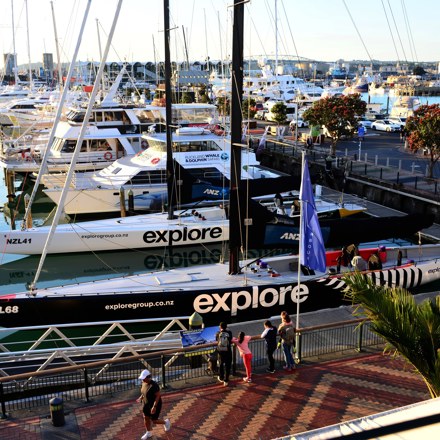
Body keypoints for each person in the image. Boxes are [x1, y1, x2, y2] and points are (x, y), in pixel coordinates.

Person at [136, 369, 171, 439]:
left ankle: (166, 422)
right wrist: (141, 397)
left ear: (148, 377)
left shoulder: (154, 385)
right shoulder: (143, 382)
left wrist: (154, 407)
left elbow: (158, 396)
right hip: (146, 404)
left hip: (154, 405)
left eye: (144, 378)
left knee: (154, 420)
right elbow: (144, 392)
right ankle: (148, 432)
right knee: (146, 418)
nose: (142, 379)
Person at [216, 322, 233, 386]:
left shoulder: (218, 333)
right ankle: (226, 380)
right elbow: (230, 340)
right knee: (228, 365)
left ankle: (221, 377)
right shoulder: (229, 332)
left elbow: (217, 340)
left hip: (221, 352)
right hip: (228, 351)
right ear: (226, 326)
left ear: (220, 327)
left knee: (221, 364)